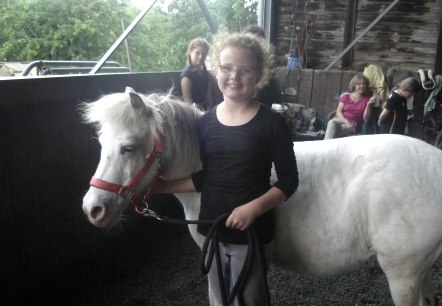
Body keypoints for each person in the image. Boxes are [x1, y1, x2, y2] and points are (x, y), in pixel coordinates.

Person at [157, 31, 299, 306]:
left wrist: (253, 209)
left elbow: (289, 181)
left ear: (259, 76)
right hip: (212, 229)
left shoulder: (271, 123)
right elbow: (209, 176)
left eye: (245, 70)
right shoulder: (205, 123)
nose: (234, 76)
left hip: (253, 234)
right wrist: (165, 186)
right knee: (220, 298)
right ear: (215, 70)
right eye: (227, 68)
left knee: (249, 299)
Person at [324, 73, 376, 139]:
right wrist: (346, 122)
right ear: (354, 85)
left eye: (364, 84)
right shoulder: (345, 97)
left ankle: (326, 146)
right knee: (332, 122)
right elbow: (338, 112)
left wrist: (369, 105)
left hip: (354, 124)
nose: (362, 86)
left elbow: (366, 119)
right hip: (341, 120)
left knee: (334, 130)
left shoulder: (366, 100)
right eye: (359, 84)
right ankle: (328, 146)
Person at [243, 25, 281, 108]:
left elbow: (275, 105)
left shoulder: (269, 76)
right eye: (246, 42)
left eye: (254, 43)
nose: (249, 47)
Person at [181, 38, 213, 110]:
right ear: (190, 52)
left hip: (206, 112)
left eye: (204, 54)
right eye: (197, 53)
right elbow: (187, 102)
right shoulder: (187, 75)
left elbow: (209, 99)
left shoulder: (206, 74)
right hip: (193, 114)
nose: (201, 56)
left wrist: (209, 113)